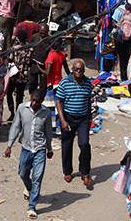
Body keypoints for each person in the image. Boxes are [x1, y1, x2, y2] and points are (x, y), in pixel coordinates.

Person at [5, 88, 53, 219]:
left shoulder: (46, 113)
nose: (34, 103)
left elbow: (48, 132)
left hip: (40, 149)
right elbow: (15, 127)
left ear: (41, 101)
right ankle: (29, 188)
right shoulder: (21, 108)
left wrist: (49, 149)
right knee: (22, 173)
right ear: (30, 97)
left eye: (37, 101)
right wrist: (9, 145)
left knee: (37, 177)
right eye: (33, 100)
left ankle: (32, 206)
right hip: (26, 148)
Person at [55, 58, 93, 189]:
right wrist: (63, 121)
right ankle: (67, 171)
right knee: (67, 145)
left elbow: (88, 100)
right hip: (68, 117)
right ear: (72, 70)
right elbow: (58, 101)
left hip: (83, 119)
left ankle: (85, 172)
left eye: (81, 70)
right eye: (77, 70)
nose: (79, 72)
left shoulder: (88, 83)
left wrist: (89, 117)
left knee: (84, 144)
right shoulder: (65, 82)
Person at [7, 31, 31, 121]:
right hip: (24, 76)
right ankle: (18, 114)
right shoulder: (29, 48)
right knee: (20, 96)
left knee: (9, 93)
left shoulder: (14, 48)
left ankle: (12, 113)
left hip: (14, 75)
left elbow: (10, 59)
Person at [115, 0, 131, 81]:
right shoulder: (120, 10)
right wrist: (120, 29)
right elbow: (114, 21)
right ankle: (124, 79)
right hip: (120, 38)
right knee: (122, 59)